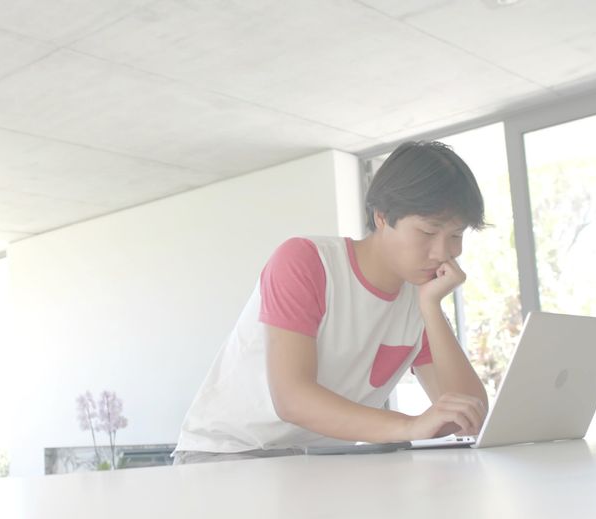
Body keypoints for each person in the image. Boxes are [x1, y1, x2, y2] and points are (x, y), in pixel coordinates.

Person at [173, 141, 490, 465]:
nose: (444, 252)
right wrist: (411, 425)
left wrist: (432, 310)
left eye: (456, 235)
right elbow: (292, 399)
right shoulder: (307, 261)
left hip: (311, 460)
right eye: (427, 232)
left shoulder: (420, 298)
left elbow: (469, 414)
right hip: (227, 451)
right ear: (382, 217)